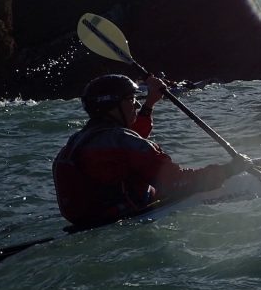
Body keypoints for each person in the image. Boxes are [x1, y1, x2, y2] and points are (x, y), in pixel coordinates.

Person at [53, 74, 249, 227]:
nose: (136, 104)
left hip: (94, 222)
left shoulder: (78, 142)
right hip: (130, 219)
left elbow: (127, 145)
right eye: (131, 99)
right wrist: (229, 170)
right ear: (112, 106)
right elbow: (177, 182)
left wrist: (150, 103)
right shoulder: (125, 143)